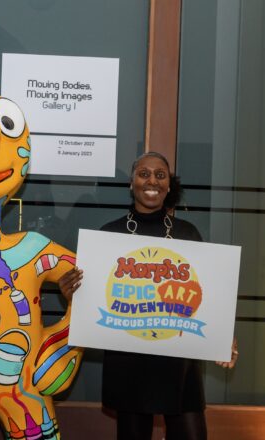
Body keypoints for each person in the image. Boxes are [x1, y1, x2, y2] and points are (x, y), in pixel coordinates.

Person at [59, 152, 238, 440]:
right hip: (130, 363)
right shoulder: (110, 235)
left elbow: (209, 293)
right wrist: (72, 293)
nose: (151, 180)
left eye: (160, 175)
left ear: (169, 185)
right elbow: (90, 300)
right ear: (132, 184)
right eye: (144, 174)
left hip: (180, 363)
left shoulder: (187, 234)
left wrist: (223, 335)